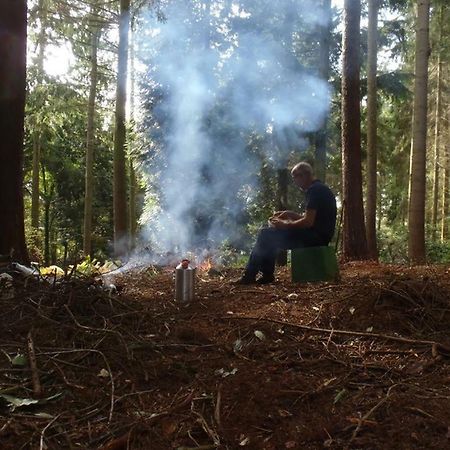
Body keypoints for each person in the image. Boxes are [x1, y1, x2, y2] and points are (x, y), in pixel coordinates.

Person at [236, 161, 337, 284]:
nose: (294, 181)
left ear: (304, 175)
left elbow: (308, 222)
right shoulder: (320, 188)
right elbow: (312, 219)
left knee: (266, 235)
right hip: (319, 235)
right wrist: (290, 214)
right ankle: (266, 275)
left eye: (295, 177)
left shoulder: (314, 190)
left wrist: (285, 225)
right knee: (270, 235)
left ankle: (250, 276)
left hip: (315, 238)